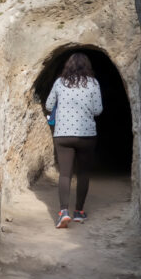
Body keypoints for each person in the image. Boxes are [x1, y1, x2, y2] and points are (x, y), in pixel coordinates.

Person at [44, 53, 103, 228]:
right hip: (86, 135)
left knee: (64, 174)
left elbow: (48, 105)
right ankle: (79, 212)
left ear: (67, 66)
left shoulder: (59, 83)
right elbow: (98, 110)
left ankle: (63, 212)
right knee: (83, 173)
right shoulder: (93, 83)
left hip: (63, 134)